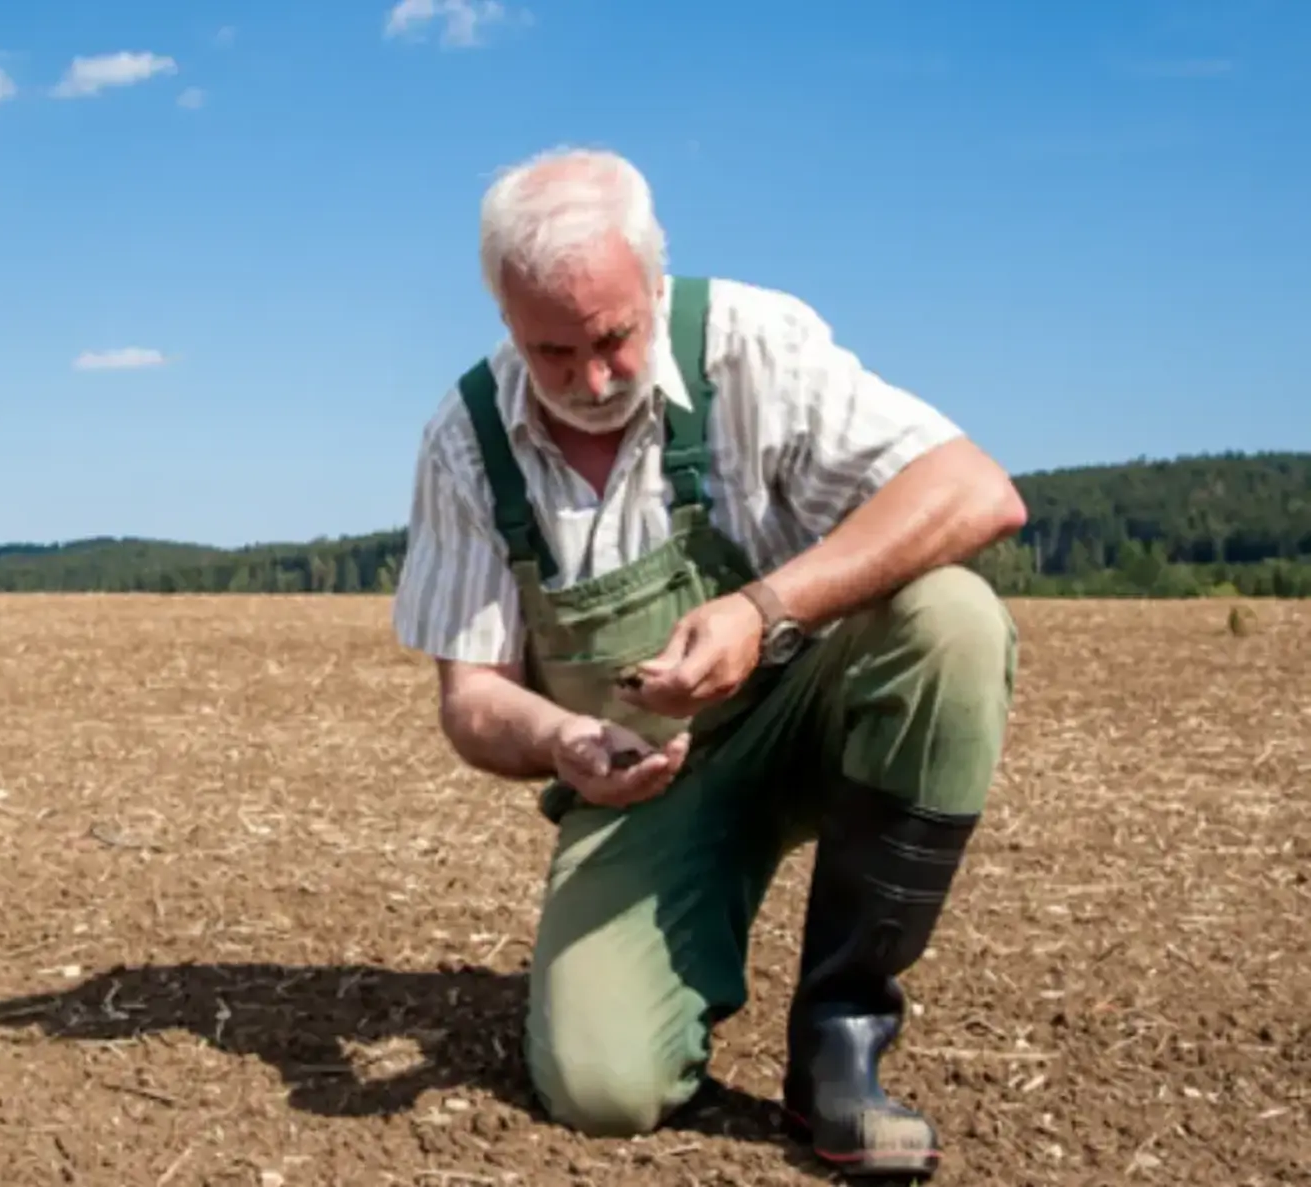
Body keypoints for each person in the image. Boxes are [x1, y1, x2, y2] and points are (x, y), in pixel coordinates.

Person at [390, 145, 1025, 1180]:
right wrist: (563, 739)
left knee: (952, 618)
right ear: (501, 316)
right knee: (605, 1090)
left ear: (655, 277)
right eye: (552, 351)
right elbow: (470, 697)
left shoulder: (750, 343)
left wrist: (762, 608)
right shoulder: (464, 440)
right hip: (650, 781)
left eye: (613, 336)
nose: (591, 379)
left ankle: (840, 1036)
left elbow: (974, 490)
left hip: (818, 710)